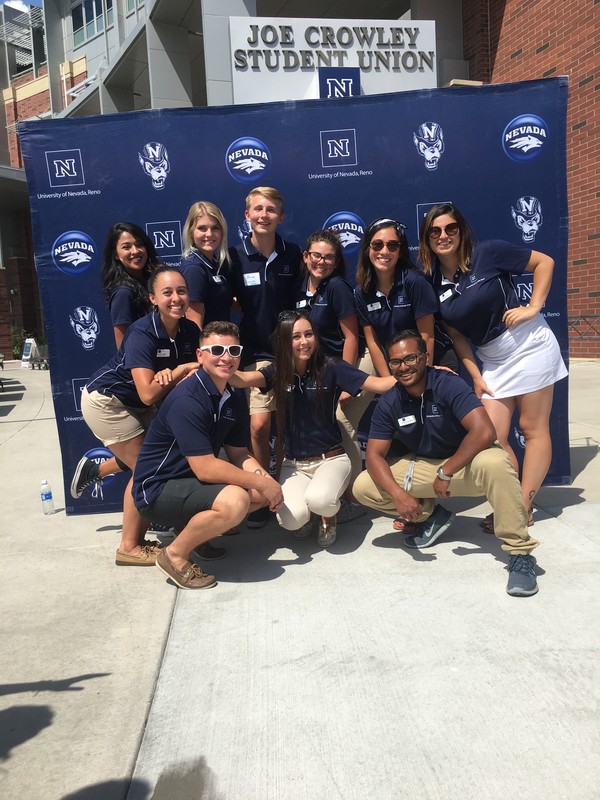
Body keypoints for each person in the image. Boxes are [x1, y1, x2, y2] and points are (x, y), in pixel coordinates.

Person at [353, 330, 541, 596]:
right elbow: (373, 456)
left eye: (410, 358)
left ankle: (520, 554)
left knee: (496, 463)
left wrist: (448, 470)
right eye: (395, 362)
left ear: (425, 357)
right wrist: (398, 495)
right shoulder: (390, 401)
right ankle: (432, 516)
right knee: (364, 486)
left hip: (467, 464)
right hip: (427, 468)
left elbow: (484, 432)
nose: (403, 367)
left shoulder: (447, 384)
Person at [418, 203, 568, 530]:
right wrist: (475, 375)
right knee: (492, 437)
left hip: (529, 345)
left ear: (461, 230)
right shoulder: (431, 284)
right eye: (435, 231)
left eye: (450, 228)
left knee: (533, 428)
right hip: (492, 360)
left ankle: (521, 508)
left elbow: (544, 262)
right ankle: (514, 502)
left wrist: (533, 306)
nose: (443, 236)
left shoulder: (488, 253)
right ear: (427, 239)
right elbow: (457, 337)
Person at [132, 322, 284, 589]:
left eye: (233, 350)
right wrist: (261, 481)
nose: (226, 357)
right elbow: (205, 468)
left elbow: (238, 453)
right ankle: (175, 555)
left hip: (189, 484)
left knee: (259, 492)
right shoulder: (187, 399)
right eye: (217, 349)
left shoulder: (233, 393)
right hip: (158, 490)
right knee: (236, 500)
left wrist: (265, 481)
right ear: (200, 356)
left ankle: (193, 534)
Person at [231, 311, 396, 548]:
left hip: (331, 459)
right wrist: (204, 364)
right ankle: (307, 515)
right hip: (294, 464)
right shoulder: (277, 371)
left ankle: (328, 516)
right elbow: (242, 379)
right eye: (296, 336)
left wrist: (426, 372)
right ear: (285, 342)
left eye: (308, 334)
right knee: (290, 521)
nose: (304, 341)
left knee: (320, 501)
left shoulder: (331, 367)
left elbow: (379, 384)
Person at [81, 266, 200, 566]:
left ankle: (97, 470)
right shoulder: (142, 332)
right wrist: (181, 370)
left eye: (182, 291)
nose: (176, 298)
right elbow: (148, 392)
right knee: (147, 470)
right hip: (107, 402)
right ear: (152, 298)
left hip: (139, 404)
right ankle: (129, 547)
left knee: (167, 454)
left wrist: (175, 375)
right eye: (167, 293)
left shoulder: (191, 331)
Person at [354, 217, 452, 534]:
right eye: (378, 245)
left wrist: (422, 377)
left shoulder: (414, 282)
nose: (385, 251)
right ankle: (419, 507)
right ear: (368, 248)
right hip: (392, 366)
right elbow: (371, 340)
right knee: (390, 434)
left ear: (400, 250)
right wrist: (392, 382)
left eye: (392, 245)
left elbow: (428, 336)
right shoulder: (362, 289)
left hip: (419, 364)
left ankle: (434, 499)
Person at [229, 186, 302, 528]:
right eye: (257, 209)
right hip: (255, 353)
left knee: (287, 425)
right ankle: (262, 493)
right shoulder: (234, 256)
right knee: (259, 425)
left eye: (271, 210)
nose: (264, 215)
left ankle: (284, 486)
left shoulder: (293, 254)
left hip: (290, 353)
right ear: (247, 215)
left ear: (281, 217)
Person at [70, 222, 161, 499]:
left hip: (138, 394)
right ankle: (150, 522)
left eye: (139, 244)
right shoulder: (124, 291)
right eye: (126, 247)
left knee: (160, 451)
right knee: (148, 468)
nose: (135, 251)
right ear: (115, 254)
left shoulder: (153, 281)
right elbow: (127, 349)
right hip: (115, 398)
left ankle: (96, 471)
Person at [292, 229, 365, 522]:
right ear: (306, 257)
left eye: (329, 258)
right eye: (316, 255)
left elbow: (351, 337)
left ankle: (351, 498)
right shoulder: (299, 288)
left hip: (337, 369)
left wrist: (347, 382)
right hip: (312, 373)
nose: (321, 262)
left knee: (342, 425)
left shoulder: (337, 287)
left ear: (336, 262)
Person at [179, 201, 233, 328]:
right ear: (191, 232)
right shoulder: (194, 268)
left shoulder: (214, 263)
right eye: (202, 228)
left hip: (221, 342)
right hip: (208, 346)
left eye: (215, 228)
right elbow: (194, 326)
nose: (209, 234)